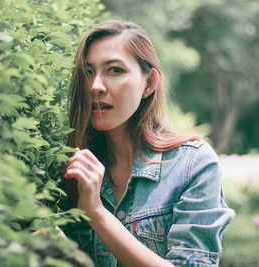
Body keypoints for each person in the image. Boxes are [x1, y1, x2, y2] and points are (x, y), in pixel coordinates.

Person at [62, 20, 235, 267]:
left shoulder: (193, 165)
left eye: (114, 70)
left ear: (149, 83)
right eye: (89, 72)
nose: (95, 86)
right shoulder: (71, 164)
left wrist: (97, 214)